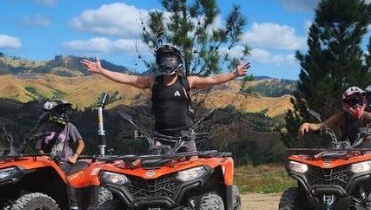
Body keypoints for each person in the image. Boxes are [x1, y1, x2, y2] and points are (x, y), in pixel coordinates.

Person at [81, 45, 249, 153]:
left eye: (172, 59)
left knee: (196, 175)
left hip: (185, 138)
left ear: (178, 62)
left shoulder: (188, 81)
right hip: (160, 139)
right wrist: (102, 71)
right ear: (159, 62)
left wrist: (234, 74)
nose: (168, 63)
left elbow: (213, 79)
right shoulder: (153, 81)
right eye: (164, 59)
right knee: (154, 175)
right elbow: (125, 78)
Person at [298, 86, 371, 143]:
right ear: (346, 103)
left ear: (364, 102)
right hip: (344, 151)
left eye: (359, 101)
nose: (357, 105)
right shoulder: (340, 117)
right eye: (353, 101)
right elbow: (321, 126)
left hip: (365, 153)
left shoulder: (366, 116)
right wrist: (307, 125)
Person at [34, 100, 86, 174]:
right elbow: (39, 148)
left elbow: (81, 143)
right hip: (49, 163)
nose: (62, 113)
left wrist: (75, 157)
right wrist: (45, 158)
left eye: (62, 111)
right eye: (59, 111)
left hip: (65, 162)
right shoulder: (44, 128)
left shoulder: (69, 126)